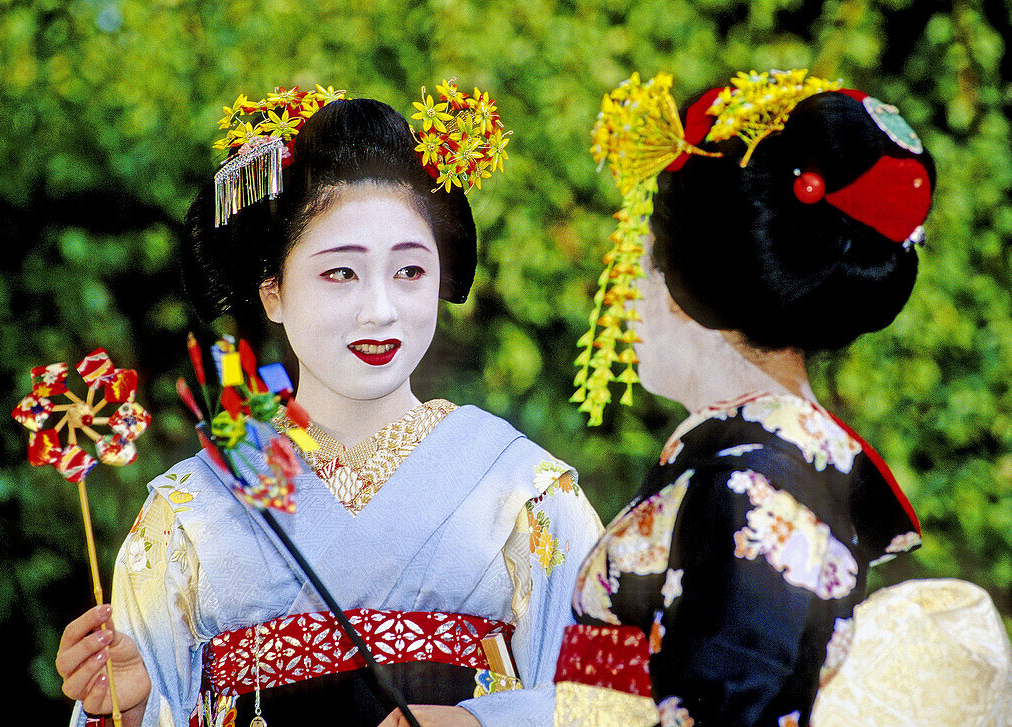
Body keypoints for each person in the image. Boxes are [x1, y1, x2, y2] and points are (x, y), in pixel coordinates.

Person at [54, 84, 602, 727]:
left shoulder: (521, 488)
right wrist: (134, 705)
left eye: (410, 272)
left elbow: (615, 704)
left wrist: (485, 723)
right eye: (341, 272)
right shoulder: (191, 506)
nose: (380, 308)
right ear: (273, 293)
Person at [554, 70, 956, 726]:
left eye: (642, 262)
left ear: (687, 289)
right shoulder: (771, 464)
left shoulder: (751, 487)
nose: (627, 300)